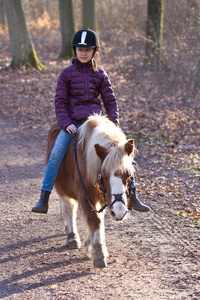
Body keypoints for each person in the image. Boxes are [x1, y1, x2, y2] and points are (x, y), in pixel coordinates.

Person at [31, 28, 150, 214]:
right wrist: (66, 123)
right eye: (80, 49)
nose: (83, 53)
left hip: (96, 126)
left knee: (122, 154)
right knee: (56, 153)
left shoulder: (100, 74)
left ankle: (133, 195)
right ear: (75, 51)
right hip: (73, 124)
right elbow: (60, 103)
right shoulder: (66, 74)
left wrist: (112, 124)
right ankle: (44, 196)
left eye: (87, 50)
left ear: (95, 52)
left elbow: (110, 101)